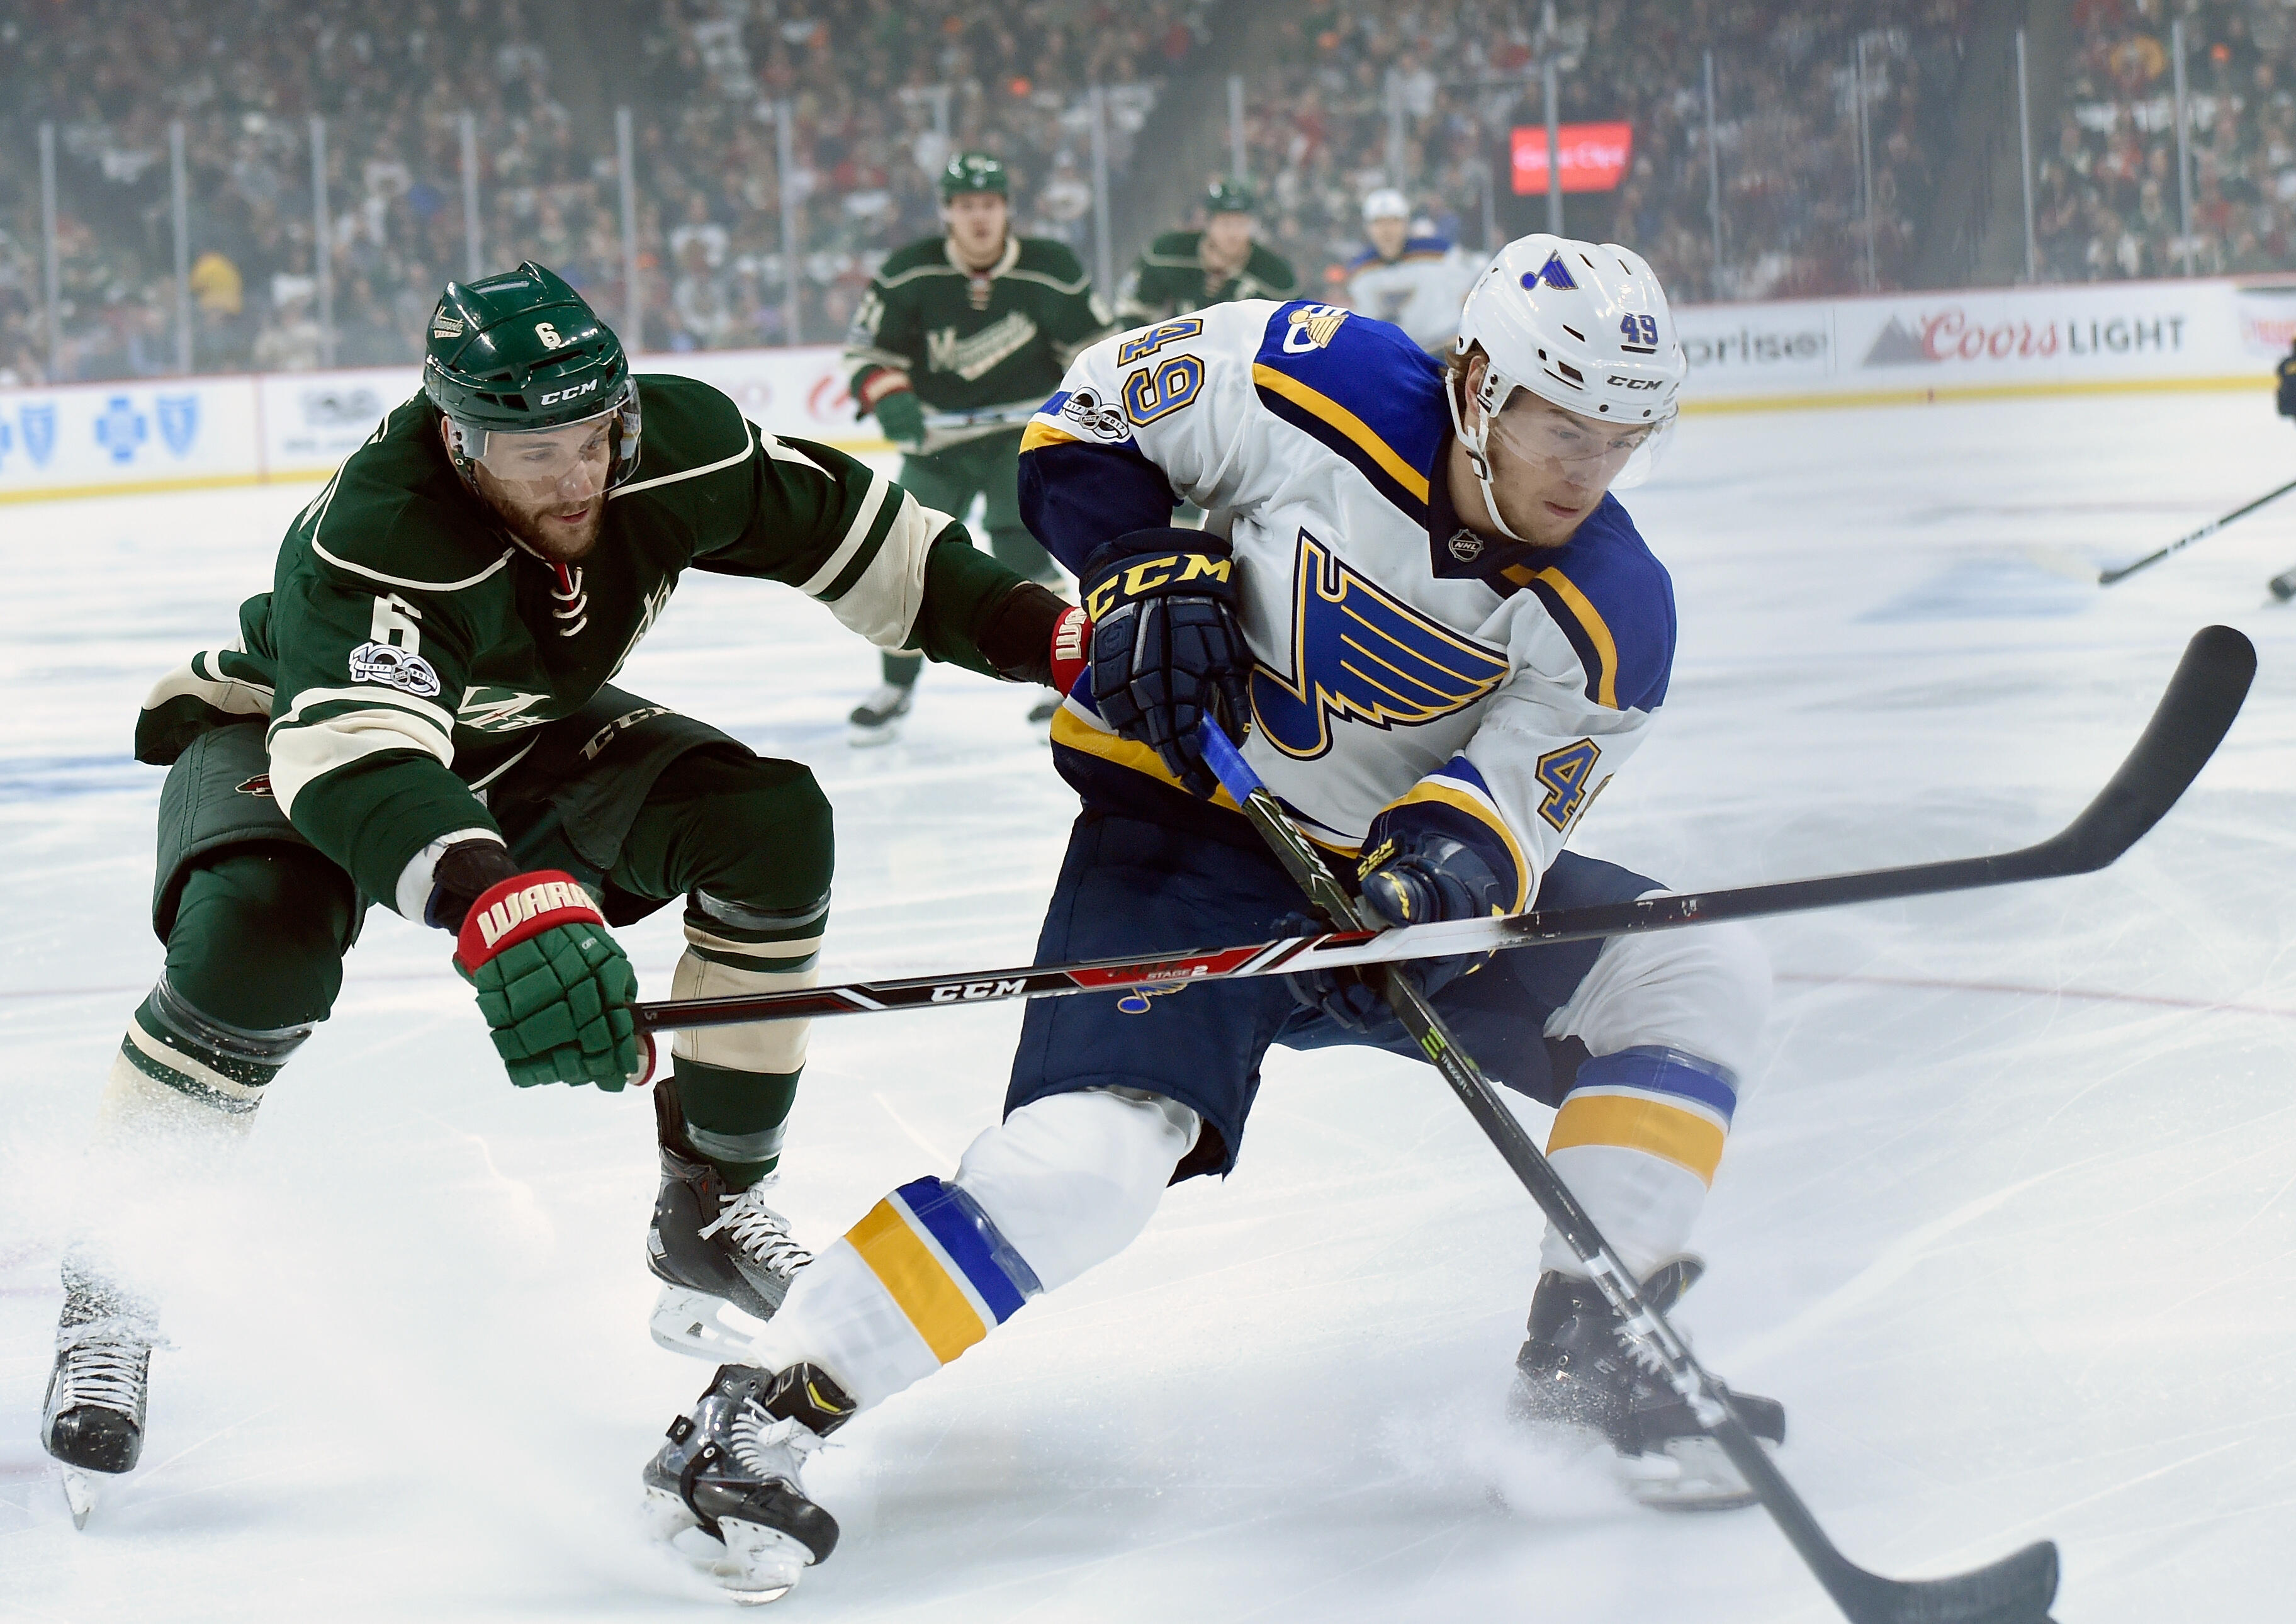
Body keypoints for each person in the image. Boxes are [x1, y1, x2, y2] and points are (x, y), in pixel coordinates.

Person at [637, 237, 1781, 1599]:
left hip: (1382, 902)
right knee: (1085, 1169)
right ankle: (758, 1412)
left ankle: (1593, 1353)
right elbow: (1085, 415)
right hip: (1180, 848)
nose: (1585, 471)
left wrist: (1430, 885)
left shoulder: (1614, 613)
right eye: (1561, 426)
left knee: (1693, 965)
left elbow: (1512, 806)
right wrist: (1136, 560)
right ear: (1477, 380)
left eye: (1619, 441)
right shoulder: (1308, 375)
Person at [39, 263, 1082, 1524]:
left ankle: (712, 1202)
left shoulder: (663, 442)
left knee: (766, 826)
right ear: (456, 435)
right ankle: (113, 1290)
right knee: (254, 952)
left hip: (515, 730)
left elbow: (863, 540)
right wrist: (500, 898)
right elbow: (358, 755)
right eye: (534, 453)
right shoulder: (383, 530)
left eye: (596, 434)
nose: (579, 474)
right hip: (294, 734)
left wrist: (1051, 635)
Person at [841, 151, 1110, 744]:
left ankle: (1064, 678)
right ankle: (896, 685)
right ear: (947, 213)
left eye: (989, 205)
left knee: (1028, 553)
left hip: (1025, 438)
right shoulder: (910, 273)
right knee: (904, 557)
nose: (979, 218)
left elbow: (1097, 352)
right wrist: (889, 394)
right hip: (942, 443)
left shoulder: (1052, 269)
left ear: (1007, 210)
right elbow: (865, 352)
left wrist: (1079, 414)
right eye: (966, 207)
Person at [1113, 177, 1300, 325]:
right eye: (1226, 224)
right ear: (1208, 224)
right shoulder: (1169, 253)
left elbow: (1297, 326)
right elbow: (1133, 312)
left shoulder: (1276, 275)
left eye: (1241, 224)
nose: (1234, 233)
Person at [1345, 187, 1480, 354]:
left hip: (1444, 348)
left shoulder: (1438, 253)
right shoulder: (1360, 272)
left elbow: (1482, 272)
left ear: (1406, 223)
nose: (1386, 230)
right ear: (1368, 227)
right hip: (1397, 356)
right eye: (1378, 222)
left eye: (1394, 221)